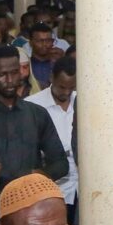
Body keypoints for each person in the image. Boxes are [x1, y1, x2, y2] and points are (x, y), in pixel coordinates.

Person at [0, 45, 70, 189]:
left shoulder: (37, 113)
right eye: (2, 74)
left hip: (33, 195)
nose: (10, 80)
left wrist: (40, 175)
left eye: (14, 72)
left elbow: (61, 164)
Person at [27, 55, 79, 215]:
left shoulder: (83, 101)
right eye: (62, 87)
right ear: (51, 78)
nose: (67, 92)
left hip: (82, 188)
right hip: (52, 189)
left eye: (71, 87)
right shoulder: (32, 106)